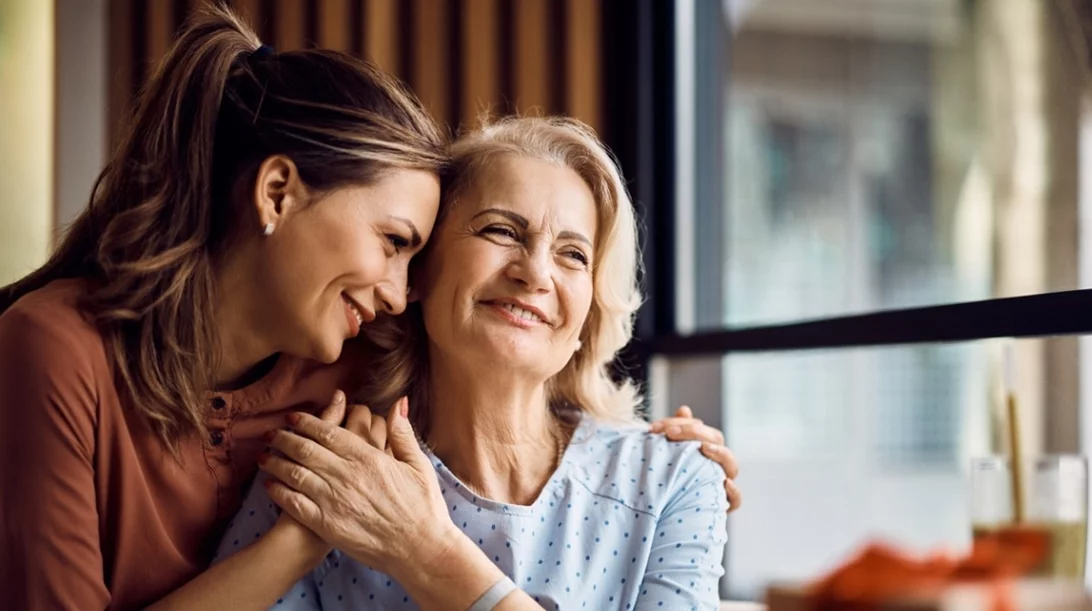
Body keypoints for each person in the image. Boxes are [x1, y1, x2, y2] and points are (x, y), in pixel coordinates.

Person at [0, 7, 737, 611]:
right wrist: (306, 537)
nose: (397, 289)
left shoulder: (344, 367)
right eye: (395, 243)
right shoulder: (65, 350)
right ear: (277, 193)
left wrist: (671, 457)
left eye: (575, 253)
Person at [218, 116, 730, 610]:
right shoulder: (327, 470)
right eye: (501, 231)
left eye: (572, 255)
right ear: (417, 273)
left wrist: (424, 549)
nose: (535, 273)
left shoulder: (673, 480)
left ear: (588, 317)